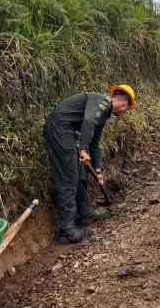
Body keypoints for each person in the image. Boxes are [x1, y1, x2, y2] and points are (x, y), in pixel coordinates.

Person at [43, 84, 136, 243]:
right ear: (123, 102)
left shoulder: (103, 113)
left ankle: (86, 213)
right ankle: (67, 229)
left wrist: (98, 171)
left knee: (79, 174)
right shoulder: (102, 101)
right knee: (69, 179)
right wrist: (83, 149)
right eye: (126, 109)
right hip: (59, 128)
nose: (124, 112)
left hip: (68, 133)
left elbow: (94, 143)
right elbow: (87, 121)